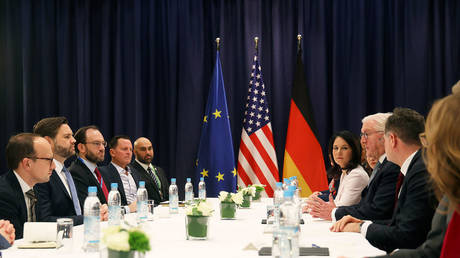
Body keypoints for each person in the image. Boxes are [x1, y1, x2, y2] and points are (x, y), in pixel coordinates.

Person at [330, 108, 437, 253]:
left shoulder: (421, 171)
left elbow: (408, 236)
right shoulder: (417, 165)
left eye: (385, 138)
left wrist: (362, 227)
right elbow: (400, 223)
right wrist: (364, 224)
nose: (362, 141)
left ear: (392, 139)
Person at [372, 91, 460, 257]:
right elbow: (432, 252)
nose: (428, 150)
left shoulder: (423, 171)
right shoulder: (453, 193)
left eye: (431, 139)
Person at [307, 114, 400, 222]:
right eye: (362, 135)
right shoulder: (381, 166)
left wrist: (333, 212)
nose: (363, 141)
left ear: (384, 136)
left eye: (366, 134)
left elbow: (378, 211)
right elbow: (365, 206)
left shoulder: (390, 167)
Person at [33, 117, 107, 225]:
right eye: (67, 137)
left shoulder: (66, 173)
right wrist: (88, 218)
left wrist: (99, 211)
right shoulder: (41, 175)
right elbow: (45, 221)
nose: (74, 140)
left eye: (72, 136)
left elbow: (76, 210)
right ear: (48, 141)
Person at [0, 133, 54, 239]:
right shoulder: (4, 194)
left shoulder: (35, 189)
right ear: (27, 163)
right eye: (49, 160)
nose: (54, 166)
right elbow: (16, 240)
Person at [307, 131, 369, 213]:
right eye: (336, 148)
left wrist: (311, 208)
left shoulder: (357, 174)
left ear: (354, 151)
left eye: (344, 148)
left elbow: (341, 207)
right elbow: (336, 202)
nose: (339, 152)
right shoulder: (346, 171)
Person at [69, 125, 109, 215]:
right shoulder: (76, 172)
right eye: (96, 143)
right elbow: (89, 210)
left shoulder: (100, 172)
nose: (102, 148)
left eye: (103, 143)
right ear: (81, 148)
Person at [99, 135, 139, 213]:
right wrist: (128, 209)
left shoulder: (135, 172)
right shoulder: (103, 173)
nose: (129, 152)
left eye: (131, 150)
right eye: (125, 149)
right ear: (112, 152)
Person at [130, 137, 169, 204]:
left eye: (150, 148)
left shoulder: (159, 170)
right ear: (135, 152)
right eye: (143, 149)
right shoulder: (131, 171)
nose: (147, 152)